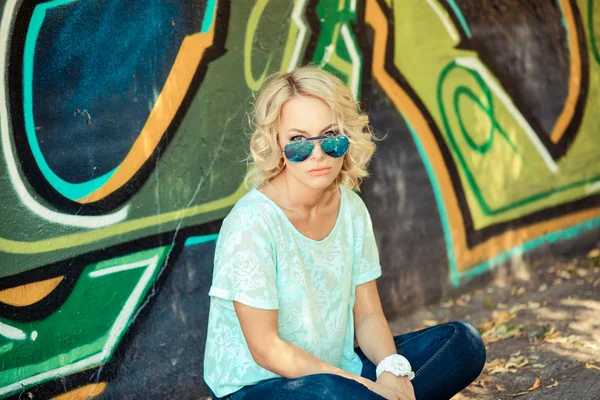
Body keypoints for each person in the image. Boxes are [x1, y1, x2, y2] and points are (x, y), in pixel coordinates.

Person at [203, 66, 486, 399]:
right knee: (336, 392)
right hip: (261, 388)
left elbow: (367, 315)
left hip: (338, 370)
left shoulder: (350, 208)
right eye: (298, 141)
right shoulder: (253, 223)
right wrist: (366, 387)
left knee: (461, 343)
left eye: (331, 136)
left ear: (348, 136)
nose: (318, 153)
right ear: (275, 143)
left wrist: (391, 370)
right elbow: (267, 349)